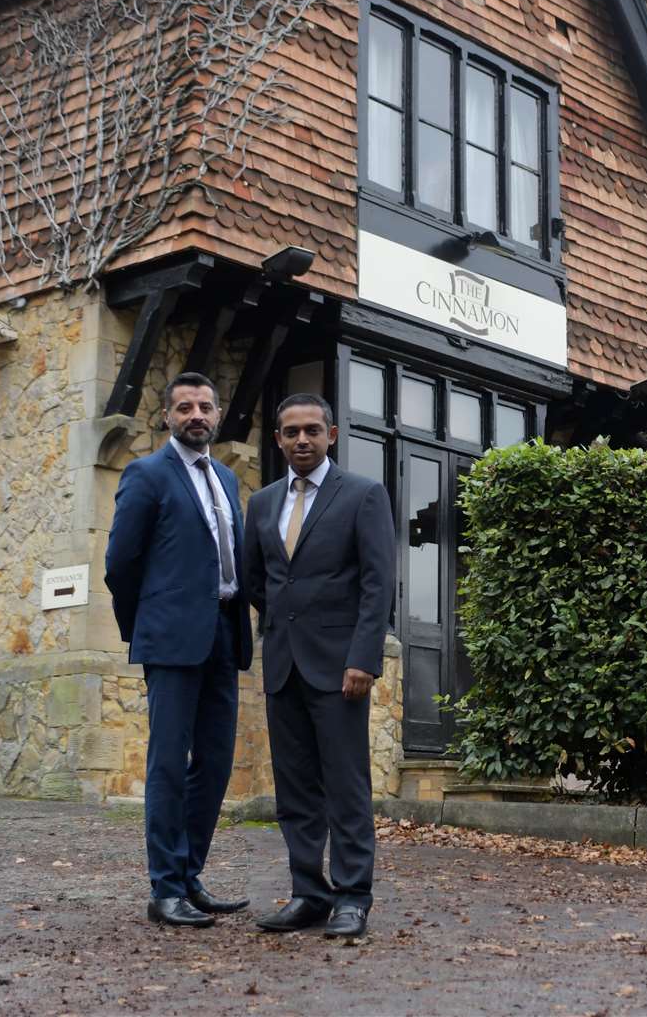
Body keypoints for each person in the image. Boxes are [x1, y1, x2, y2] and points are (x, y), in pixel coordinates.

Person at [104, 371, 254, 928]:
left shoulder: (226, 479)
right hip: (171, 638)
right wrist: (143, 628)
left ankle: (190, 876)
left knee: (213, 764)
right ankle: (164, 888)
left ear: (216, 415)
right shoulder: (146, 474)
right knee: (169, 763)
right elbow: (121, 564)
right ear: (167, 416)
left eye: (206, 406)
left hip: (223, 632)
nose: (197, 415)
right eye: (185, 407)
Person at [243, 393, 394, 937]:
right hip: (283, 663)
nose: (301, 439)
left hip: (341, 668)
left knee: (345, 785)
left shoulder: (362, 495)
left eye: (311, 430)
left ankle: (353, 896)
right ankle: (309, 893)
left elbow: (378, 584)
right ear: (278, 439)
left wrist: (362, 657)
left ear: (331, 435)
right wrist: (288, 624)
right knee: (295, 789)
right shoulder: (261, 504)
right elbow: (257, 578)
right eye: (290, 432)